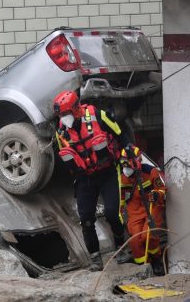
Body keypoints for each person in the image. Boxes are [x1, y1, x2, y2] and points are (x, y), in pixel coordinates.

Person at [53, 90, 133, 271]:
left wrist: (128, 149)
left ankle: (122, 249)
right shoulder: (61, 132)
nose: (63, 118)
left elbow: (119, 133)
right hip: (84, 178)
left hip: (107, 172)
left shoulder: (97, 115)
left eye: (65, 113)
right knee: (86, 219)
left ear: (75, 109)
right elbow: (66, 156)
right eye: (61, 115)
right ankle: (96, 259)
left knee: (112, 213)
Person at [118, 145, 167, 276]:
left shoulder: (151, 172)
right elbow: (122, 197)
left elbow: (162, 189)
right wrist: (121, 212)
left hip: (151, 206)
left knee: (148, 235)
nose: (125, 169)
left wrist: (158, 195)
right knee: (135, 240)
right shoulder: (123, 177)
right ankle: (143, 265)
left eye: (128, 165)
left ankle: (157, 260)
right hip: (134, 210)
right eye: (124, 166)